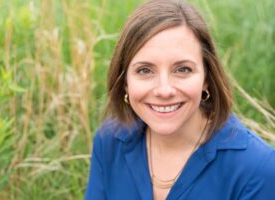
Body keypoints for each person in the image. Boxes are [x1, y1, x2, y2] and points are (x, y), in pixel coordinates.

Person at [85, 0, 275, 199]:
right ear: (124, 82)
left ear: (206, 79)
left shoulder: (258, 169)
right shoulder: (110, 141)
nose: (164, 90)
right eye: (145, 70)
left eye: (182, 69)